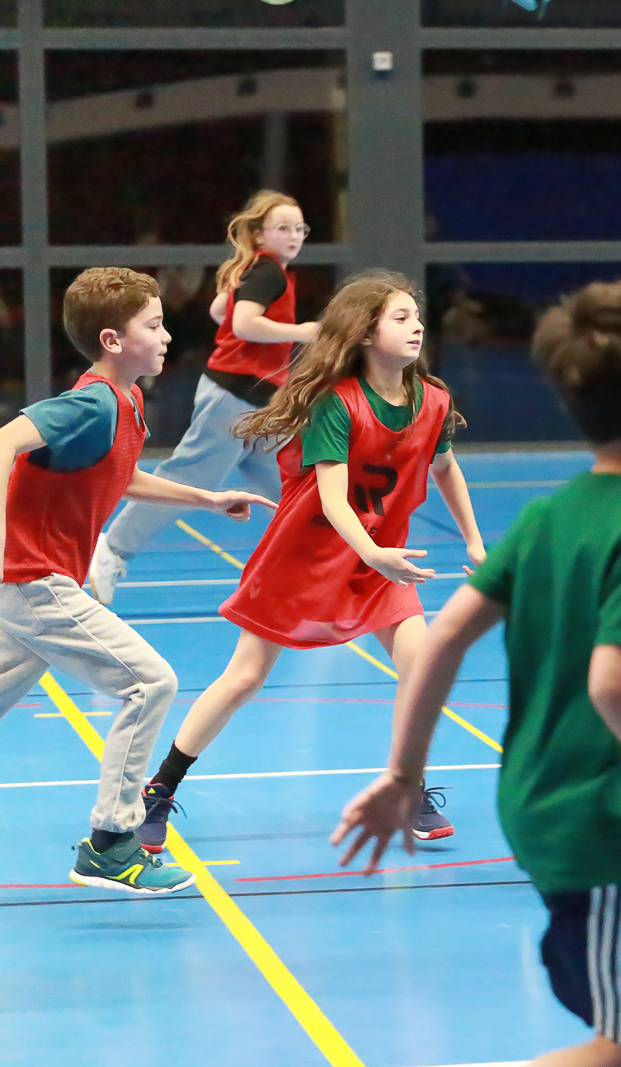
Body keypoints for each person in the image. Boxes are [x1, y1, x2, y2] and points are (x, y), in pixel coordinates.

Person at [331, 273, 621, 1067]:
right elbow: (616, 682)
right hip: (599, 827)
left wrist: (404, 773)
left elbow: (441, 641)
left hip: (534, 809)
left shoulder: (548, 514)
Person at [133, 271, 485, 852]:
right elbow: (332, 497)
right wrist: (373, 551)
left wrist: (473, 540)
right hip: (305, 559)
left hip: (375, 561)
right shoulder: (337, 404)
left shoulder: (432, 401)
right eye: (401, 317)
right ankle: (159, 789)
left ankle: (407, 786)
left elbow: (445, 468)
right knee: (244, 678)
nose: (417, 325)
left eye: (417, 316)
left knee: (420, 669)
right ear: (364, 333)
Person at [0, 268, 273, 893]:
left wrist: (206, 498)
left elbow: (118, 476)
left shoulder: (126, 404)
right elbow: (5, 441)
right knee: (150, 683)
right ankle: (110, 845)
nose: (167, 335)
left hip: (30, 587)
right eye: (153, 325)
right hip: (33, 581)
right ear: (112, 340)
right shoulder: (90, 403)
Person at [88, 191, 320, 604]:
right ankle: (112, 549)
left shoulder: (259, 270)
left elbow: (220, 311)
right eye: (283, 228)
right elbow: (243, 324)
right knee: (192, 478)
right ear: (259, 234)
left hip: (261, 400)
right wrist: (305, 331)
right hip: (233, 396)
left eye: (299, 229)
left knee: (293, 483)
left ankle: (317, 567)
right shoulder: (267, 273)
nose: (294, 235)